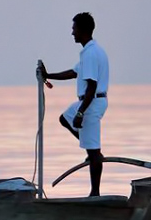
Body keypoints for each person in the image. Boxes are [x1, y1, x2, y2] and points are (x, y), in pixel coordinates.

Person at [37, 12, 109, 196]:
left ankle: (95, 192)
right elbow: (73, 72)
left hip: (91, 102)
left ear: (83, 30)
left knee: (93, 152)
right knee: (64, 118)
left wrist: (81, 113)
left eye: (74, 28)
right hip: (89, 101)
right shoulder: (88, 52)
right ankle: (92, 149)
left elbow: (91, 85)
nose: (72, 33)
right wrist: (48, 75)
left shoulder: (92, 53)